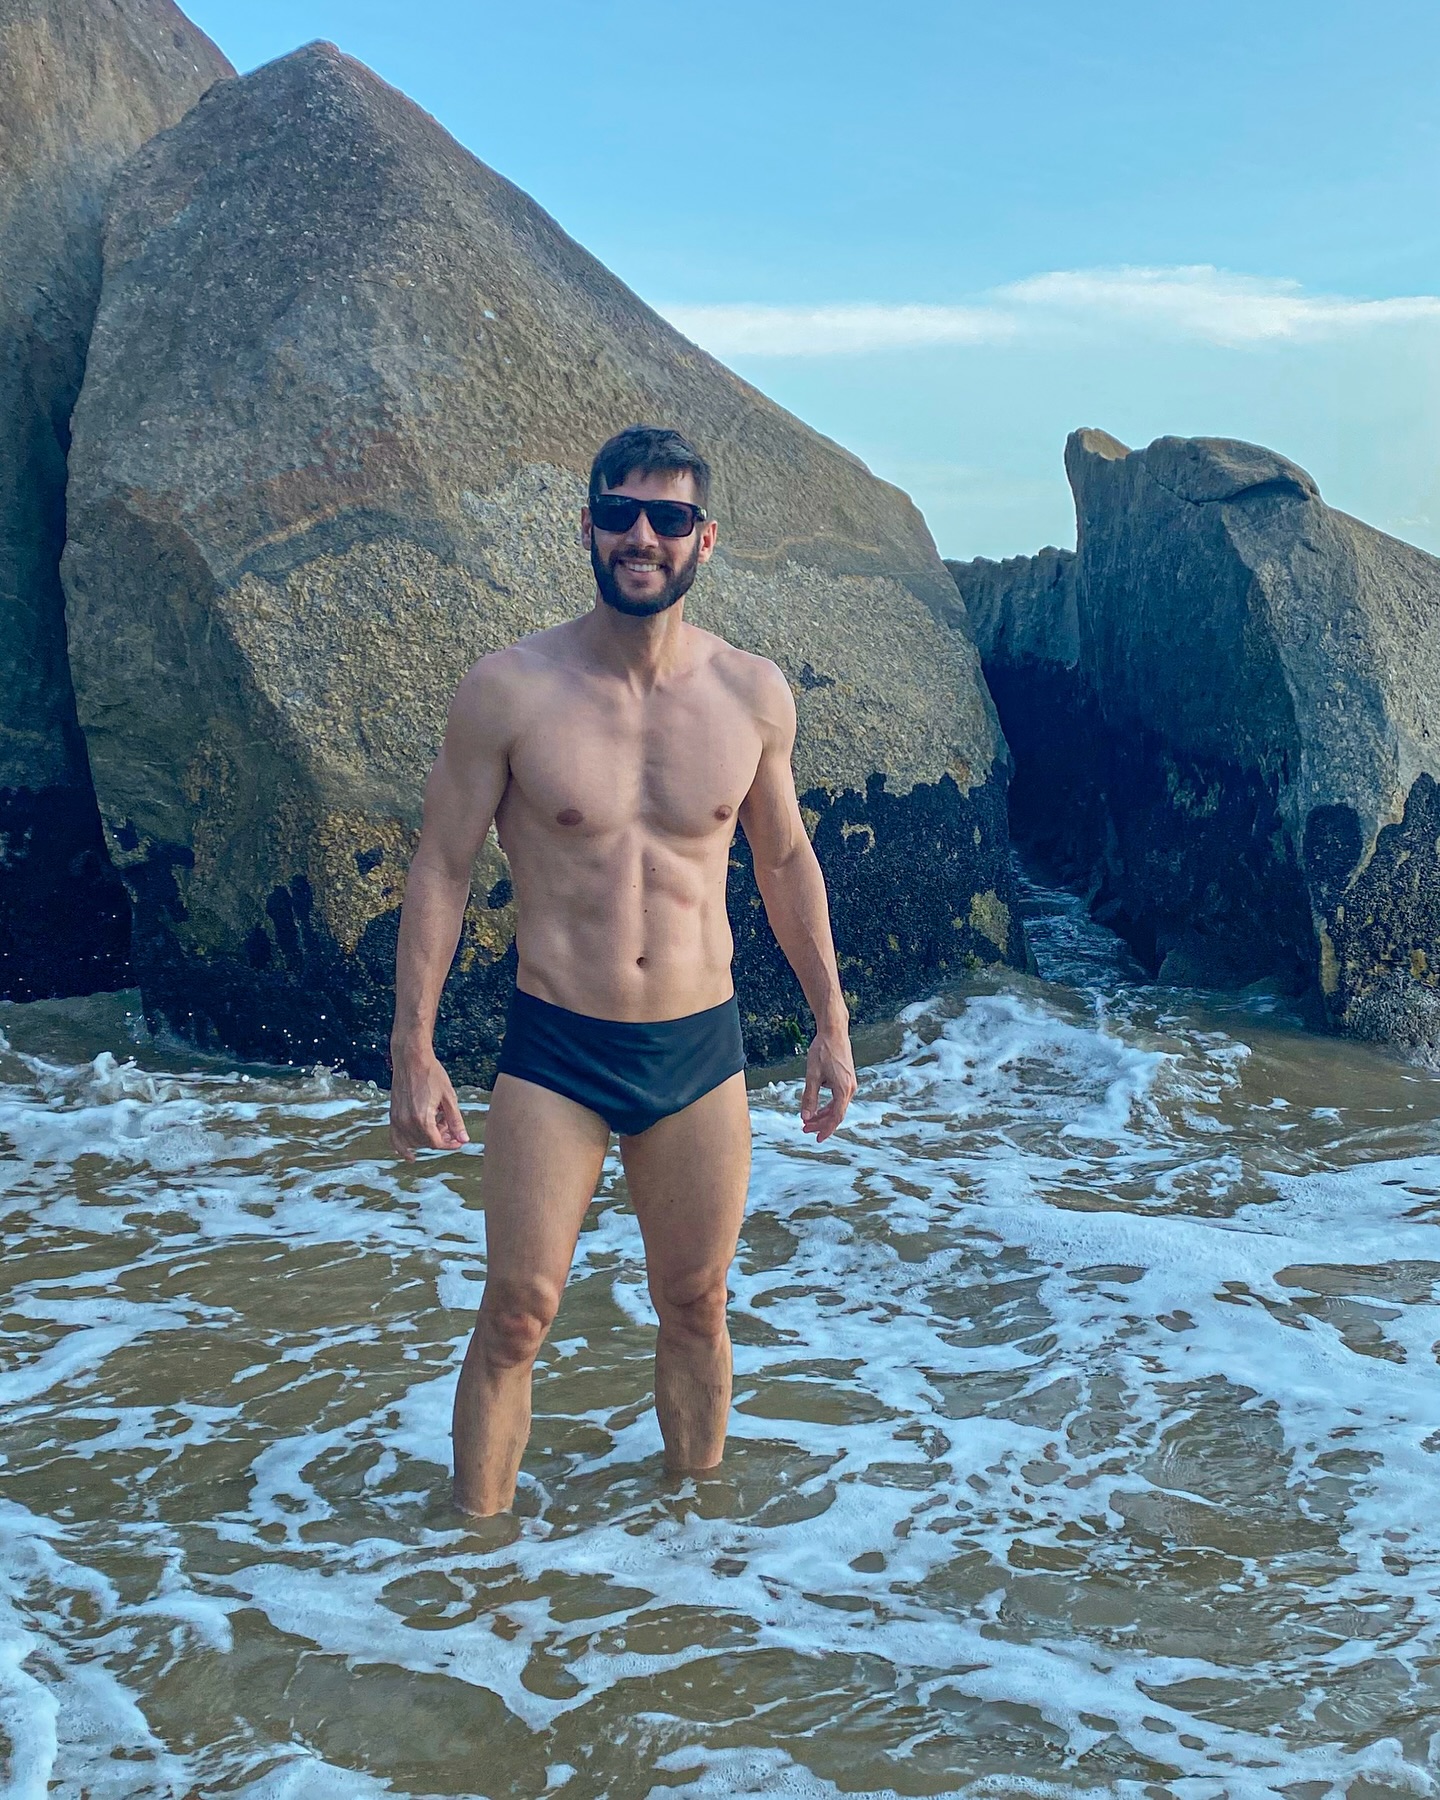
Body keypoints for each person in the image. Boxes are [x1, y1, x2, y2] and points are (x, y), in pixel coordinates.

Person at [388, 424, 858, 1516]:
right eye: (619, 513)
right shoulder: (509, 690)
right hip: (557, 1045)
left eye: (668, 517)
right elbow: (442, 866)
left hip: (698, 1047)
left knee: (696, 1303)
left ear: (705, 539)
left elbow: (785, 861)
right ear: (588, 527)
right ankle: (474, 1564)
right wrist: (414, 1045)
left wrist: (831, 1021)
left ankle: (694, 1553)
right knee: (516, 1314)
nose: (641, 536)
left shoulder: (751, 695)